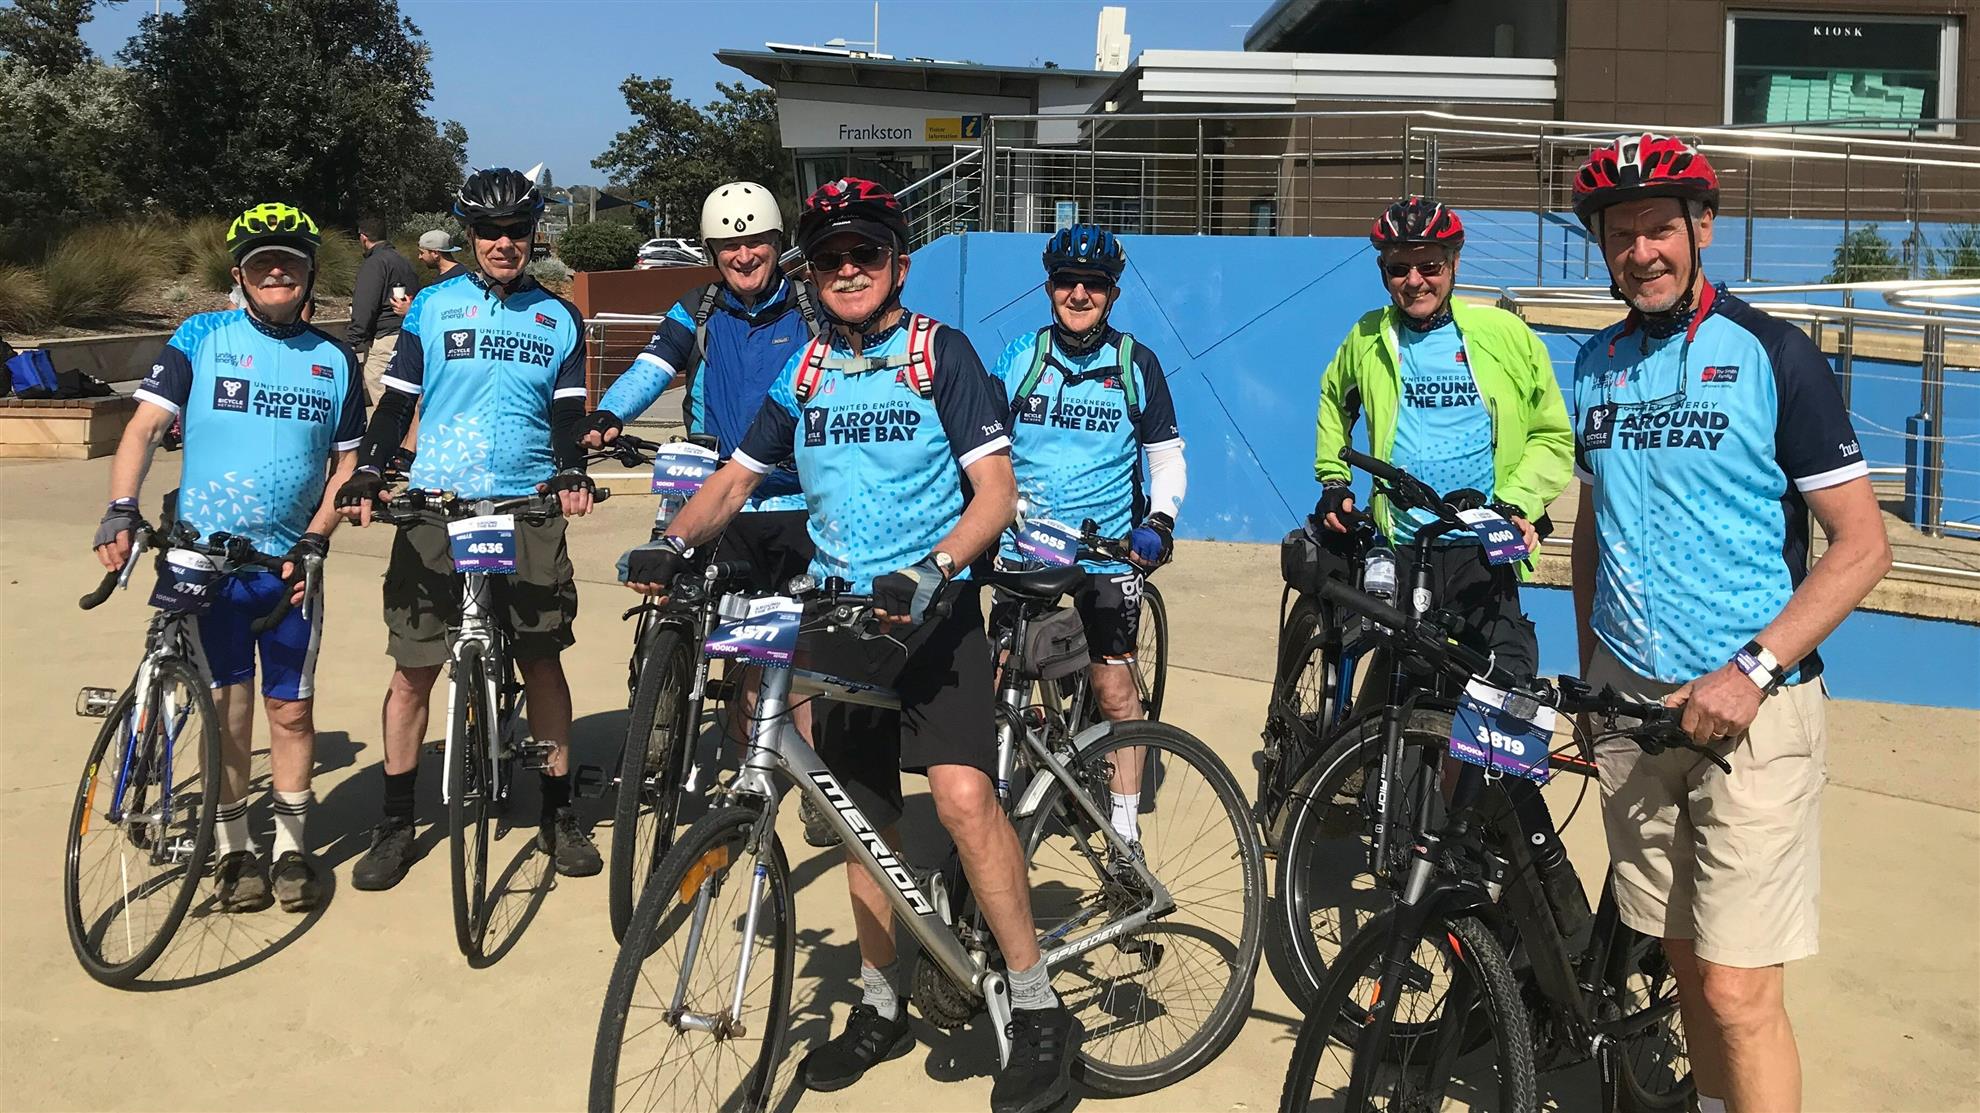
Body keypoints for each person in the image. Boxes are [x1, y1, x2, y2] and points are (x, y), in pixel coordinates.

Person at [621, 177, 1081, 1113]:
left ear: (897, 265)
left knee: (958, 799)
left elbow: (994, 491)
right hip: (840, 620)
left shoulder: (937, 353)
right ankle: (881, 1002)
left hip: (932, 613)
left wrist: (937, 568)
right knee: (857, 820)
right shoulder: (806, 371)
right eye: (829, 257)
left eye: (864, 253)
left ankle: (1036, 1004)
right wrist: (671, 542)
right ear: (813, 274)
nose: (846, 269)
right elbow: (736, 480)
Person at [1568, 134, 1890, 1113]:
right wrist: (1591, 681)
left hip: (1755, 708)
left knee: (1740, 990)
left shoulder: (1771, 353)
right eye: (1620, 234)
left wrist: (1750, 670)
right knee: (1680, 958)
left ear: (1702, 228)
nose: (1642, 251)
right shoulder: (1594, 364)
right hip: (1634, 708)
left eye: (1660, 228)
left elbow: (1863, 545)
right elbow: (1595, 532)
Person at [1312, 196, 1588, 934]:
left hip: (1479, 546)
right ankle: (1363, 779)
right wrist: (1333, 478)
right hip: (1401, 541)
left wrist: (1517, 500)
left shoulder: (1500, 334)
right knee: (1400, 674)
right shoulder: (1365, 338)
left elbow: (1552, 435)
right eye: (1398, 269)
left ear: (1453, 266)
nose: (1413, 280)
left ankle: (1476, 836)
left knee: (1496, 689)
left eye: (1427, 266)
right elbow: (1334, 406)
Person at [92, 202, 365, 913]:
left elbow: (346, 468)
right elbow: (146, 426)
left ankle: (293, 850)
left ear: (309, 276)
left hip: (287, 565)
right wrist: (122, 505)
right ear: (240, 275)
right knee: (227, 709)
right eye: (261, 263)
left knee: (292, 712)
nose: (277, 271)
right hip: (202, 561)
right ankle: (235, 849)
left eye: (291, 263)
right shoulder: (201, 336)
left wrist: (317, 537)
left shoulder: (334, 360)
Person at [335, 168, 603, 887]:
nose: (504, 244)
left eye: (518, 231)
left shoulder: (558, 317)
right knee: (413, 666)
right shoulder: (432, 306)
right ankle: (394, 822)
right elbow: (396, 405)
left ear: (534, 232)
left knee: (542, 659)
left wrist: (572, 467)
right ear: (470, 234)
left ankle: (555, 811)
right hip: (438, 500)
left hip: (526, 501)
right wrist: (370, 465)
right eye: (490, 231)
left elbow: (569, 415)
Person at [578, 180, 839, 838]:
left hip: (796, 500)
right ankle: (661, 738)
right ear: (713, 251)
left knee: (791, 646)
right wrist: (611, 412)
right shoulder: (696, 309)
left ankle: (807, 777)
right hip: (715, 499)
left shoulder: (812, 310)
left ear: (778, 245)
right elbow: (651, 364)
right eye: (730, 244)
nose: (744, 254)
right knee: (684, 617)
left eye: (755, 241)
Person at [989, 224, 1185, 861]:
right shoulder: (1020, 354)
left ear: (1113, 293)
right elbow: (983, 448)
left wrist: (1159, 520)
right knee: (1001, 682)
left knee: (1115, 690)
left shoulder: (1135, 363)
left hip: (1106, 551)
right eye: (1066, 282)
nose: (1078, 293)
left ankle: (1125, 831)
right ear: (1049, 287)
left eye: (1093, 285)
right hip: (1026, 548)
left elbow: (1165, 456)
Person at [347, 216, 417, 406]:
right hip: (407, 333)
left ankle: (389, 434)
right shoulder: (404, 261)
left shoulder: (375, 263)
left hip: (385, 338)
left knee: (378, 386)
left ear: (363, 237)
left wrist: (354, 339)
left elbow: (365, 303)